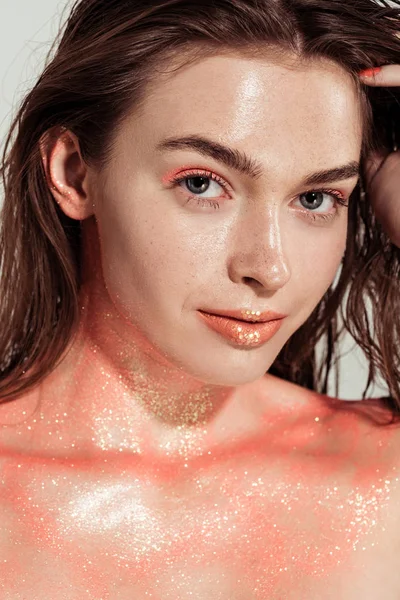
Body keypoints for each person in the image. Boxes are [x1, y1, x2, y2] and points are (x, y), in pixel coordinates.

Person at [1, 0, 400, 597]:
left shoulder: (387, 476)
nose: (268, 267)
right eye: (201, 183)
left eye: (316, 199)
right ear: (76, 171)